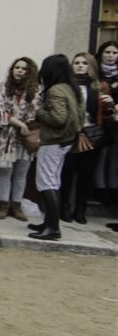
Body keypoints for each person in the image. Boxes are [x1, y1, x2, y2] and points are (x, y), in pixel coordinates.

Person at [27, 55, 84, 241]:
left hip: (53, 141)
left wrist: (39, 112)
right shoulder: (71, 88)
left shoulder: (56, 90)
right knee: (53, 181)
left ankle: (52, 227)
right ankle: (48, 223)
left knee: (46, 182)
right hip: (66, 141)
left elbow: (58, 118)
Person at [60, 53, 115, 224]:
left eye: (84, 63)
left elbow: (106, 116)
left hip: (91, 135)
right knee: (66, 173)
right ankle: (64, 207)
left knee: (86, 174)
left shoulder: (100, 86)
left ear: (91, 66)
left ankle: (80, 209)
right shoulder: (66, 86)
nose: (80, 65)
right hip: (70, 134)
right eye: (77, 62)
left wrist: (109, 106)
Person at [0, 57, 41, 220]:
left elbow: (36, 111)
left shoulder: (36, 90)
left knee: (21, 172)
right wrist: (20, 124)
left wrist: (25, 127)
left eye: (24, 69)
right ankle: (3, 204)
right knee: (5, 171)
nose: (19, 71)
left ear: (29, 72)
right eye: (16, 67)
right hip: (5, 136)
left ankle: (16, 205)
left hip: (26, 137)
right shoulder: (3, 87)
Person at [94, 40, 118, 204]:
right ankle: (100, 188)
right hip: (99, 121)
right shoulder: (94, 74)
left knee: (115, 156)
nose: (111, 56)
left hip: (116, 121)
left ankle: (113, 189)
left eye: (114, 53)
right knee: (100, 156)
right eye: (107, 52)